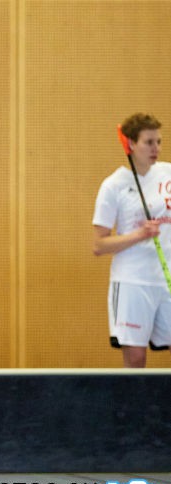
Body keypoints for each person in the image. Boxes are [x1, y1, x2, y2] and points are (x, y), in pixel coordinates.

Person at [93, 113, 171, 368]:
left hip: (166, 279)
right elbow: (99, 245)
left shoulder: (168, 174)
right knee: (136, 359)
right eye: (149, 142)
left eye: (158, 141)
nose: (156, 148)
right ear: (130, 144)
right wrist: (140, 234)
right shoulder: (113, 186)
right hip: (132, 282)